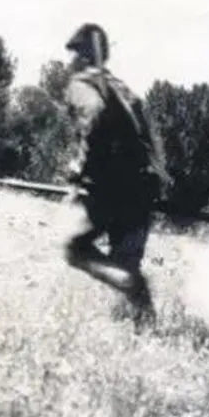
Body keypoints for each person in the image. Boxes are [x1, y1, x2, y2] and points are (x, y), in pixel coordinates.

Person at [61, 22, 171, 328]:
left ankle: (135, 289)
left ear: (82, 56)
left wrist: (78, 170)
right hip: (142, 188)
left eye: (74, 54)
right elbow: (150, 140)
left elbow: (93, 120)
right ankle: (143, 332)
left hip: (111, 189)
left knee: (74, 249)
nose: (71, 62)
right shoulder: (124, 91)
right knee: (126, 266)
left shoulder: (83, 85)